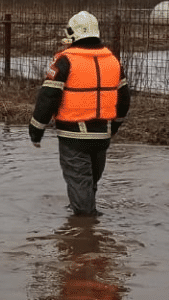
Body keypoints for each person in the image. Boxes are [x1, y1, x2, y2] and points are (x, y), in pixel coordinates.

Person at [29, 11, 131, 217]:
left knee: (80, 184)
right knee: (89, 183)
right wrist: (114, 127)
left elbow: (48, 97)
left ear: (73, 34)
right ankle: (86, 216)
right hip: (102, 136)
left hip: (73, 137)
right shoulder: (113, 60)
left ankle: (85, 229)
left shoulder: (65, 60)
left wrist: (36, 131)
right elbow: (124, 101)